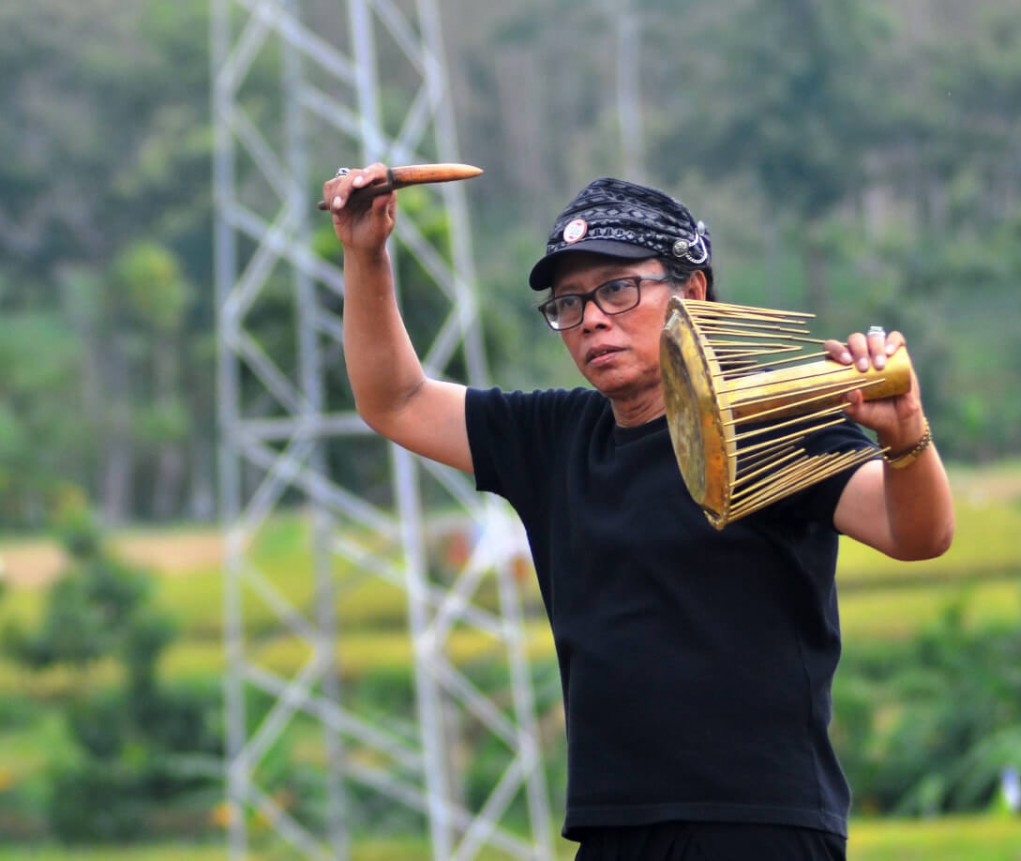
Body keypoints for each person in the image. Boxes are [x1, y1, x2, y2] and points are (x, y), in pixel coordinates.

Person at [324, 168, 955, 861]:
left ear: (693, 291)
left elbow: (916, 532)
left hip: (756, 826)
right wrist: (366, 254)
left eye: (617, 289)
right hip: (612, 828)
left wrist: (906, 438)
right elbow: (397, 400)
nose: (591, 317)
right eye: (568, 303)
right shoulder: (556, 438)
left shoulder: (764, 420)